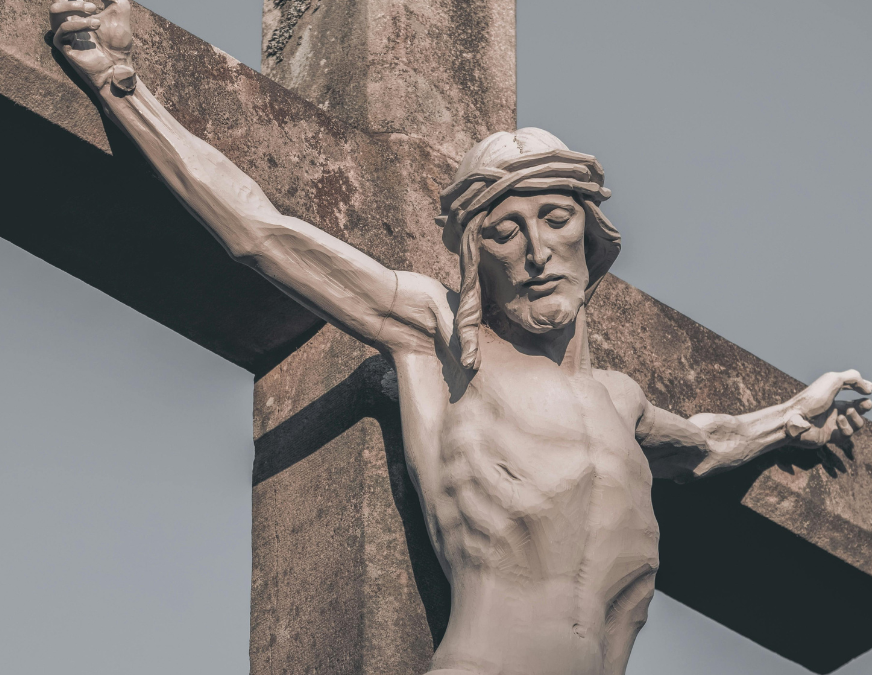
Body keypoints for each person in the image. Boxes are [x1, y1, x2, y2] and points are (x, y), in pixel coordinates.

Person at [48, 2, 872, 673]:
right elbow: (263, 232)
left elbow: (707, 445)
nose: (537, 251)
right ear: (478, 259)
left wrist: (791, 418)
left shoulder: (620, 402)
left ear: (591, 238)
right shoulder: (439, 340)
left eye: (556, 219)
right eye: (506, 232)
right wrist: (119, 83)